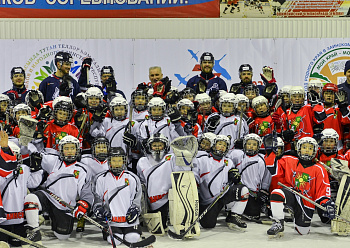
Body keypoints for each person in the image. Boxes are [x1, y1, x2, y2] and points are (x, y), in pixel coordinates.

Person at [23, 135, 93, 242]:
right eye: (66, 148)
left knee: (63, 236)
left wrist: (84, 203)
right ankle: (34, 230)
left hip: (64, 207)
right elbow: (35, 152)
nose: (69, 151)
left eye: (72, 148)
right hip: (48, 197)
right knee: (31, 198)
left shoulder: (83, 169)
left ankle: (54, 222)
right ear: (61, 150)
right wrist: (34, 156)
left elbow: (86, 191)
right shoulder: (53, 161)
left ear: (77, 150)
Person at [266, 137, 334, 237]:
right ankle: (278, 222)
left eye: (310, 148)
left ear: (314, 151)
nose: (307, 150)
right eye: (304, 147)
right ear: (298, 149)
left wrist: (326, 204)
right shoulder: (288, 160)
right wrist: (270, 152)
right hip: (292, 194)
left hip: (306, 202)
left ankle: (297, 216)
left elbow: (322, 191)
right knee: (277, 193)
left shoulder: (319, 169)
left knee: (303, 231)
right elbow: (272, 168)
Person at [196, 135, 249, 229]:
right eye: (219, 144)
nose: (221, 147)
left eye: (224, 145)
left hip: (222, 196)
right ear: (213, 145)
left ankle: (233, 216)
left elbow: (234, 178)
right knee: (208, 224)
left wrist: (235, 177)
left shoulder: (229, 162)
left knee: (243, 190)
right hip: (207, 200)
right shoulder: (202, 160)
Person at [93, 147, 142, 245]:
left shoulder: (132, 178)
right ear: (109, 162)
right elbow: (97, 200)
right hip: (111, 221)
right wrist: (99, 209)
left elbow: (137, 199)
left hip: (129, 220)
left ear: (124, 161)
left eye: (119, 160)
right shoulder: (100, 179)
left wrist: (135, 209)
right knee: (115, 240)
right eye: (114, 161)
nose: (117, 163)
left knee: (133, 238)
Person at [0, 132, 41, 247]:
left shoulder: (24, 168)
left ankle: (34, 229)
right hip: (2, 222)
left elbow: (33, 183)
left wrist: (37, 169)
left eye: (16, 156)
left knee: (31, 197)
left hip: (19, 221)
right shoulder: (1, 170)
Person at [227, 134, 271, 219]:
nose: (251, 146)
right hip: (239, 189)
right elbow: (227, 160)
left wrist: (263, 191)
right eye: (249, 144)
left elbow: (266, 176)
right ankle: (232, 211)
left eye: (254, 145)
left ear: (258, 147)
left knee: (253, 214)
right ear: (244, 145)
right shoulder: (238, 155)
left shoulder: (262, 160)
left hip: (253, 193)